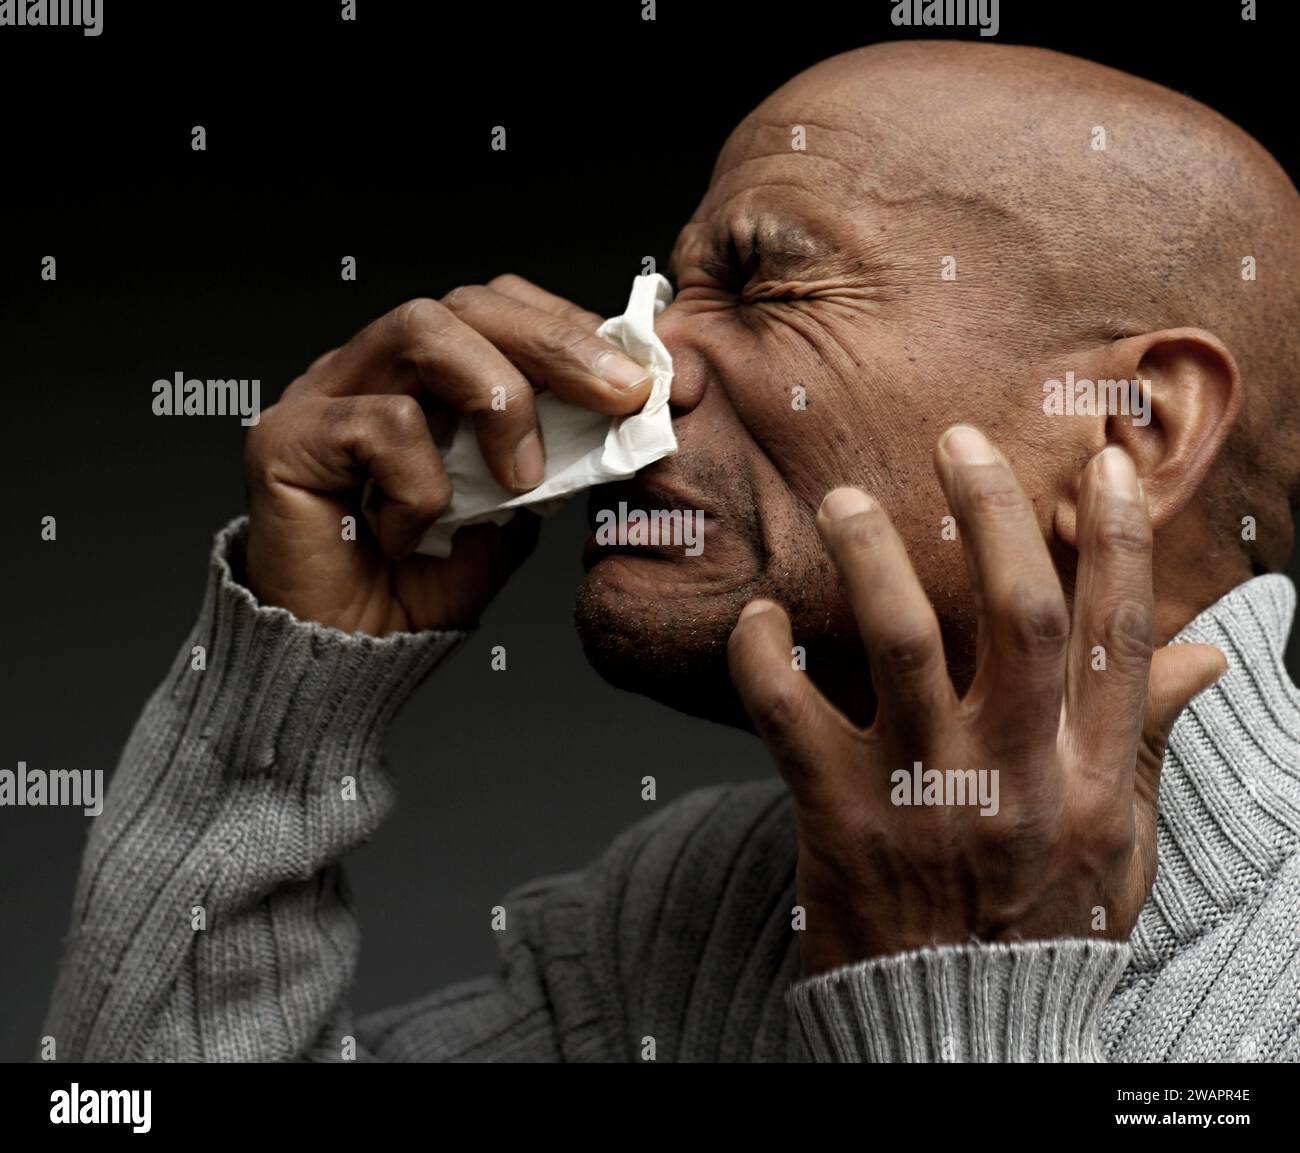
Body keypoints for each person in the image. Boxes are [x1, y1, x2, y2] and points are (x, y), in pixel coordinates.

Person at [43, 40, 1300, 1062]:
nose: (629, 371)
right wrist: (282, 707)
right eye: (659, 299)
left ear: (1129, 428)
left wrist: (962, 994)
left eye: (762, 289)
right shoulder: (688, 911)